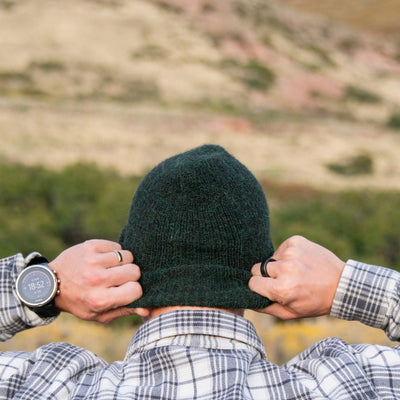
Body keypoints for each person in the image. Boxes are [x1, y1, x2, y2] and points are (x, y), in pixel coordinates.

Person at [1, 144, 399, 399]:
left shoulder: (45, 384)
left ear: (129, 288)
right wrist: (345, 285)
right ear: (266, 288)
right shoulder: (347, 383)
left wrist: (41, 285)